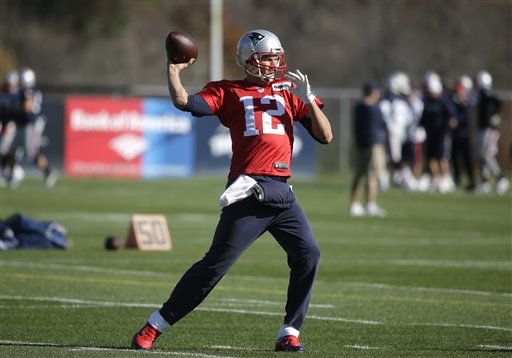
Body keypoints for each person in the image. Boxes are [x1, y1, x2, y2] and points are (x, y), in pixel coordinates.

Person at [131, 29, 333, 353]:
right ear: (249, 61)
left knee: (308, 253)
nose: (273, 64)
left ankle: (289, 331)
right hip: (250, 192)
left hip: (282, 193)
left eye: (275, 58)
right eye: (267, 58)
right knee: (213, 267)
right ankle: (155, 324)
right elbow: (184, 102)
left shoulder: (289, 92)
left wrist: (309, 100)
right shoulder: (228, 91)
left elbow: (326, 136)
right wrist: (173, 69)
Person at [1, 67, 57, 188]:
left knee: (31, 153)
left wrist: (12, 109)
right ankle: (10, 174)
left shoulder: (28, 91)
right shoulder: (30, 90)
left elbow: (27, 108)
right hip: (22, 123)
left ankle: (48, 171)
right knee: (11, 150)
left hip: (30, 123)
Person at [349, 81, 388, 217]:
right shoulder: (374, 107)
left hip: (360, 143)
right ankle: (371, 204)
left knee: (359, 174)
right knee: (372, 175)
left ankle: (354, 204)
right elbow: (382, 124)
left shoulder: (358, 106)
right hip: (374, 143)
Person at [419, 71, 458, 193]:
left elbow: (452, 116)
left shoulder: (444, 100)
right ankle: (435, 179)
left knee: (442, 157)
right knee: (431, 157)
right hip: (430, 132)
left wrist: (451, 123)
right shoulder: (427, 100)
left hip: (442, 133)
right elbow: (423, 116)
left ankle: (443, 179)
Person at [473, 70, 509, 195]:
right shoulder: (481, 94)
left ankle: (501, 178)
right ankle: (485, 182)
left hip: (489, 130)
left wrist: (494, 116)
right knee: (482, 155)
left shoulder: (486, 94)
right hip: (482, 128)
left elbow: (498, 103)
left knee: (487, 155)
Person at [450, 75, 477, 192]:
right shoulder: (454, 101)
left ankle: (472, 181)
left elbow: (467, 117)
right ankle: (457, 180)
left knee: (466, 159)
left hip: (466, 135)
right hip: (455, 135)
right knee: (455, 158)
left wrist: (464, 105)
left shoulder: (470, 101)